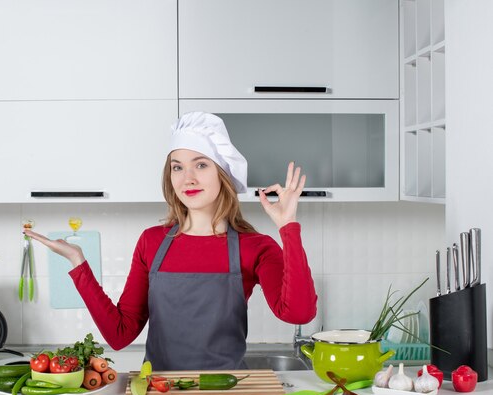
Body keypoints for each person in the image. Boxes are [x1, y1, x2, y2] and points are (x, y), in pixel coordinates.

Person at [24, 112, 317, 371]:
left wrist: (288, 227)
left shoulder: (255, 246)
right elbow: (120, 334)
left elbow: (299, 313)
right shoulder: (152, 242)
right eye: (177, 167)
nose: (187, 178)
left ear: (223, 173)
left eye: (200, 165)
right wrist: (78, 263)